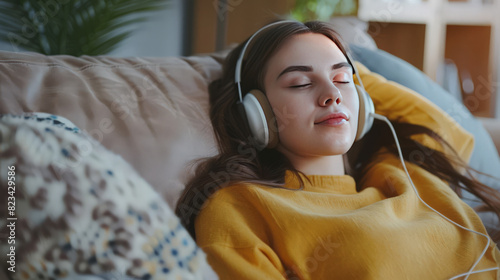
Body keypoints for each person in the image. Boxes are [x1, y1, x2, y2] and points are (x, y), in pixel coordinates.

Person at [175, 20, 500, 279]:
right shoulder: (242, 208)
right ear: (256, 112)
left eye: (342, 79)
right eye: (300, 83)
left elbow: (432, 122)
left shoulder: (400, 168)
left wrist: (356, 86)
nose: (332, 94)